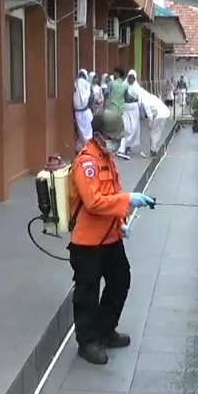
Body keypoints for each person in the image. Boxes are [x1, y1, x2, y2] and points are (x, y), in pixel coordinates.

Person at [68, 108, 155, 365]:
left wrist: (121, 221)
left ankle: (105, 330)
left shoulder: (107, 158)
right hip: (88, 243)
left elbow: (112, 194)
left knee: (120, 281)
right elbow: (94, 202)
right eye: (112, 137)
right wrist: (129, 199)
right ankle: (87, 342)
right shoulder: (86, 163)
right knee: (87, 292)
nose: (116, 142)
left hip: (110, 236)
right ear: (98, 136)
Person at [105, 67, 131, 160]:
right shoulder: (125, 85)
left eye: (114, 73)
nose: (113, 74)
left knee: (109, 131)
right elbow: (127, 97)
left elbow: (106, 94)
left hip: (111, 110)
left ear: (118, 73)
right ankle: (118, 150)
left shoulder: (111, 83)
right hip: (120, 111)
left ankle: (110, 151)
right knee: (117, 131)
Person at [138, 87, 172, 156]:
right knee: (156, 131)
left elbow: (150, 115)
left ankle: (153, 150)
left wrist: (150, 124)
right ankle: (154, 149)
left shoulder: (144, 101)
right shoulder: (150, 96)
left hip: (160, 114)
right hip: (163, 113)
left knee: (154, 132)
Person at [123, 69, 144, 157]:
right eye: (129, 77)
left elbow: (141, 99)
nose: (130, 79)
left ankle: (129, 146)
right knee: (126, 127)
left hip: (134, 109)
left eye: (132, 78)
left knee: (133, 128)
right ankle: (124, 147)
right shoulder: (124, 85)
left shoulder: (137, 88)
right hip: (125, 109)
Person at [73, 69, 94, 152]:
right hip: (82, 111)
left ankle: (88, 147)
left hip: (82, 112)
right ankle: (87, 148)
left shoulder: (77, 84)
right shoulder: (85, 85)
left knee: (84, 131)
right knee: (85, 131)